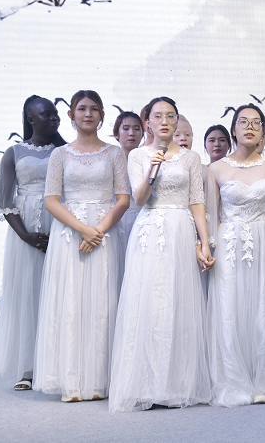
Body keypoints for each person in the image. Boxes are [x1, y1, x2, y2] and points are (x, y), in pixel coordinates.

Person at [109, 96, 214, 411]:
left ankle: (178, 384)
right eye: (157, 116)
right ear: (148, 123)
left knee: (179, 300)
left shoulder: (191, 157)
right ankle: (146, 384)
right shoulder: (138, 155)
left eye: (170, 116)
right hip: (151, 229)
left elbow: (197, 201)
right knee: (151, 301)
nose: (164, 121)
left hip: (181, 228)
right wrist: (153, 168)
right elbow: (140, 199)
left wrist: (204, 242)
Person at [33, 90, 130, 402]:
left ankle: (101, 381)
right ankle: (71, 381)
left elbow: (123, 199)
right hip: (70, 234)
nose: (88, 114)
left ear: (102, 115)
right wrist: (83, 229)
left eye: (94, 109)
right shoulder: (60, 155)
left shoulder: (114, 153)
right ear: (72, 114)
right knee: (71, 302)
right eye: (82, 109)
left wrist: (97, 231)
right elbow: (51, 200)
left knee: (103, 302)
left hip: (105, 234)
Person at [205, 104, 265, 406]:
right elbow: (210, 215)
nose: (249, 127)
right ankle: (233, 381)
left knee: (263, 307)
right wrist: (207, 246)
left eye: (256, 123)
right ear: (233, 129)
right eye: (243, 122)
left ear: (263, 132)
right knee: (229, 308)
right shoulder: (216, 169)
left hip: (263, 242)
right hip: (229, 242)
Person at [0, 96, 64, 392]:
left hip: (59, 225)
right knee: (28, 296)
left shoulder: (64, 151)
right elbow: (4, 201)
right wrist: (25, 235)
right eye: (46, 114)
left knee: (58, 293)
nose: (54, 118)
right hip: (25, 233)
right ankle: (28, 368)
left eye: (56, 113)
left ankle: (57, 363)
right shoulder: (14, 152)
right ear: (30, 118)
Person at [113, 111, 145, 292]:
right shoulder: (109, 160)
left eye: (136, 129)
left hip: (142, 221)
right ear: (116, 134)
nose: (131, 133)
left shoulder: (149, 160)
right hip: (114, 222)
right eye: (126, 129)